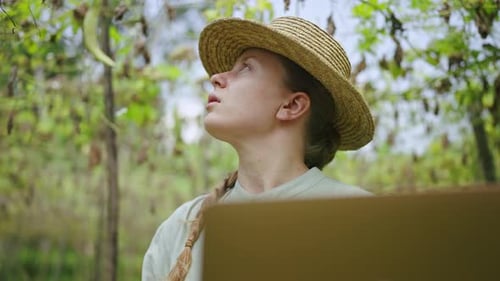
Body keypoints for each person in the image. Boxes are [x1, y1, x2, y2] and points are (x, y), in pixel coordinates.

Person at [142, 16, 375, 281]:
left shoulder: (361, 219)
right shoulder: (182, 226)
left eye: (246, 68)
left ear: (292, 106)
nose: (216, 78)